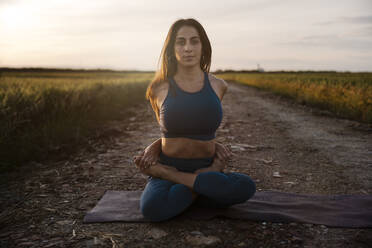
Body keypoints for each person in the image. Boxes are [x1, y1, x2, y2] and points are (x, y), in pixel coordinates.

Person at [133, 18, 256, 222]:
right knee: (151, 209)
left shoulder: (218, 85)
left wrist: (213, 165)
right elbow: (168, 130)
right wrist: (154, 148)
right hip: (172, 163)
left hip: (207, 167)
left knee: (246, 186)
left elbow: (200, 124)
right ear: (172, 48)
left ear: (203, 46)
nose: (188, 48)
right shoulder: (158, 88)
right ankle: (200, 190)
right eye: (180, 42)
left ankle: (180, 184)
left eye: (194, 41)